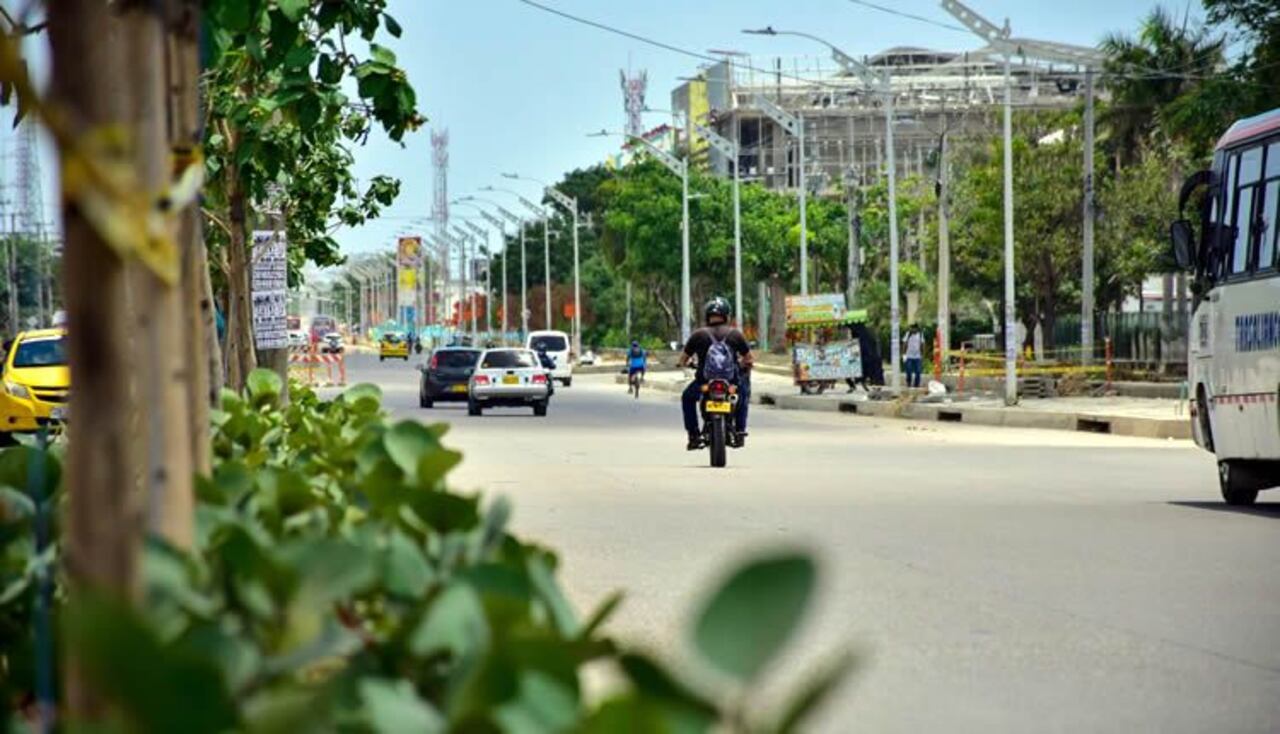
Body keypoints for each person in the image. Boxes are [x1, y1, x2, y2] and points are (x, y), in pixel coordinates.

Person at [678, 297, 752, 450]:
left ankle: (694, 435)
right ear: (727, 316)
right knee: (743, 395)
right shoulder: (735, 334)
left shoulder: (698, 335)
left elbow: (683, 359)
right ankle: (740, 430)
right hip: (731, 382)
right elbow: (749, 359)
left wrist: (686, 364)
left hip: (704, 383)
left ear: (707, 316)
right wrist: (744, 366)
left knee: (687, 398)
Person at [846, 322, 884, 392]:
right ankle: (859, 384)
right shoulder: (865, 335)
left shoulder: (864, 336)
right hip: (866, 358)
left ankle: (871, 385)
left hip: (868, 359)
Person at [903, 323, 924, 389]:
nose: (912, 329)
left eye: (913, 328)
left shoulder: (920, 335)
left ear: (916, 328)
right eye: (911, 328)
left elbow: (922, 344)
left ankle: (916, 385)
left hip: (917, 356)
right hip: (909, 355)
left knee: (918, 371)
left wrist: (922, 354)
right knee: (908, 370)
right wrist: (904, 354)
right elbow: (904, 344)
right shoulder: (908, 334)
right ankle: (909, 383)